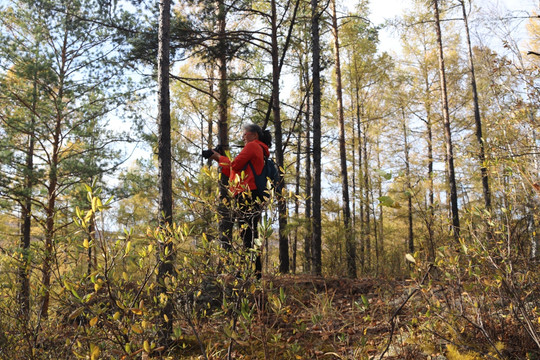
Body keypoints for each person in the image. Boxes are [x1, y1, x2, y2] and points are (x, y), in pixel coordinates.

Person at [208, 124, 271, 278]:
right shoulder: (260, 150)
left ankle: (250, 273)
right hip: (253, 193)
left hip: (246, 194)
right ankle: (253, 272)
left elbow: (235, 165)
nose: (243, 137)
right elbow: (234, 170)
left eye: (245, 134)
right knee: (249, 232)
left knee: (247, 233)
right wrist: (220, 158)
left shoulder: (252, 146)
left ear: (254, 135)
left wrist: (217, 157)